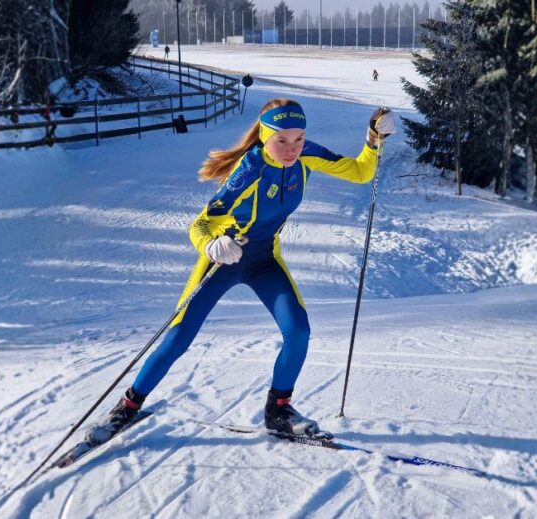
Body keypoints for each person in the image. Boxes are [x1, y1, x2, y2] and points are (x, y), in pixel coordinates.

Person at [85, 98, 396, 444]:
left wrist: (373, 138)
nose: (293, 148)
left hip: (265, 260)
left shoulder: (306, 154)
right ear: (264, 136)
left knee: (299, 332)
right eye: (283, 140)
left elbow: (360, 171)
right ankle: (127, 407)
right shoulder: (250, 169)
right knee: (178, 337)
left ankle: (278, 411)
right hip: (224, 259)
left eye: (298, 138)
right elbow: (201, 224)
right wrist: (211, 245)